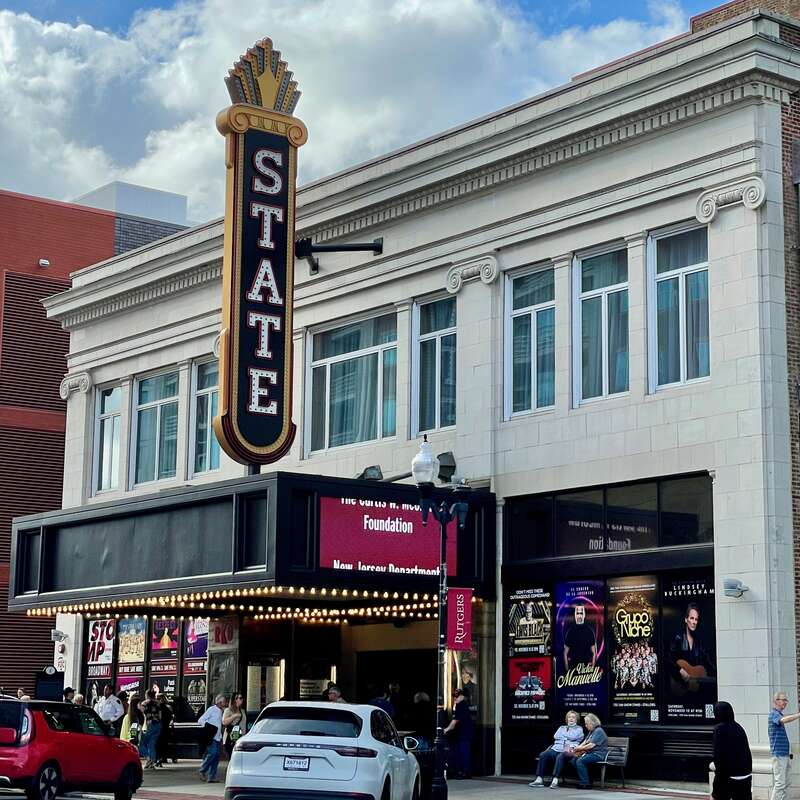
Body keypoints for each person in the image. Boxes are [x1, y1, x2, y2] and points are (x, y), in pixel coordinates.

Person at [529, 710, 584, 788]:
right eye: (569, 717)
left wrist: (564, 736)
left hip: (569, 750)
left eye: (573, 717)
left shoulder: (579, 729)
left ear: (576, 719)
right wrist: (567, 738)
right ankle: (539, 779)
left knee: (560, 756)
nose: (571, 719)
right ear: (566, 718)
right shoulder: (561, 727)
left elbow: (573, 736)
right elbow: (556, 736)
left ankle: (555, 779)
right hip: (556, 748)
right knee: (543, 754)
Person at [668, 603, 715, 694]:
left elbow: (707, 661)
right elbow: (669, 659)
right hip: (679, 686)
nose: (694, 622)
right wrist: (680, 671)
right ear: (686, 619)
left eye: (696, 619)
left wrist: (717, 674)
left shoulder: (698, 641)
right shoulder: (678, 638)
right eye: (691, 618)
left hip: (694, 689)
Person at [712, 701, 752, 800]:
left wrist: (718, 780)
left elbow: (718, 756)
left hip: (729, 776)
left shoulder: (719, 729)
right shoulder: (739, 727)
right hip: (745, 775)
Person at [769, 692, 799, 800]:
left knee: (786, 781)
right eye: (783, 700)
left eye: (786, 700)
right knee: (780, 783)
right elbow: (783, 720)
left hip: (784, 754)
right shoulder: (774, 714)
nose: (785, 703)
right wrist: (798, 715)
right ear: (776, 701)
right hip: (779, 754)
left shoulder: (778, 714)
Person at [573, 713, 609, 789]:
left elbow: (591, 745)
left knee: (580, 761)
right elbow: (585, 742)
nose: (585, 726)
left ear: (592, 723)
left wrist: (578, 749)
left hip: (598, 754)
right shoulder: (591, 731)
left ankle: (585, 783)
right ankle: (587, 780)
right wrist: (576, 748)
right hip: (590, 753)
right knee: (574, 759)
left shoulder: (598, 731)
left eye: (587, 724)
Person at [198, 694, 228, 783]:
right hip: (212, 736)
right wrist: (208, 727)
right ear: (219, 702)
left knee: (217, 756)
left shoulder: (223, 711)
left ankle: (212, 776)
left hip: (218, 737)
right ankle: (203, 769)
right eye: (224, 702)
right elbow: (201, 720)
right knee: (212, 753)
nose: (225, 703)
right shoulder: (212, 709)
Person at [444, 688, 473, 778]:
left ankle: (464, 772)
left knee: (463, 752)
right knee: (461, 752)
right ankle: (462, 771)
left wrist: (446, 730)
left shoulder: (462, 705)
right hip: (462, 733)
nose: (455, 698)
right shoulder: (460, 705)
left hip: (464, 734)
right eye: (454, 696)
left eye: (457, 696)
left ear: (462, 696)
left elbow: (455, 721)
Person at [563, 604, 597, 670]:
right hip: (573, 670)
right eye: (577, 613)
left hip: (586, 670)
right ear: (575, 614)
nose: (579, 615)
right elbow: (565, 653)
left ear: (584, 614)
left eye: (581, 613)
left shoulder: (589, 631)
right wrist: (567, 671)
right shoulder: (570, 631)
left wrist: (592, 669)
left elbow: (594, 652)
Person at [139, 689, 162, 770]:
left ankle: (148, 757)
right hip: (158, 725)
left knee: (141, 744)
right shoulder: (158, 703)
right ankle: (152, 761)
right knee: (151, 743)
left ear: (147, 695)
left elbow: (142, 714)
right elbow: (160, 715)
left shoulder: (144, 703)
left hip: (148, 725)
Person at [223, 692, 247, 759]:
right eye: (237, 698)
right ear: (233, 700)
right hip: (231, 738)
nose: (239, 700)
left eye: (241, 698)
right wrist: (234, 716)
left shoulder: (242, 711)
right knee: (233, 758)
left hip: (241, 737)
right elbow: (224, 722)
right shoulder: (228, 710)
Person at [155, 694, 174, 767]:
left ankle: (158, 758)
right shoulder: (168, 707)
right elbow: (171, 717)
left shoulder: (158, 707)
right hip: (165, 728)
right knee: (163, 744)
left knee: (158, 744)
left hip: (160, 727)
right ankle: (162, 758)